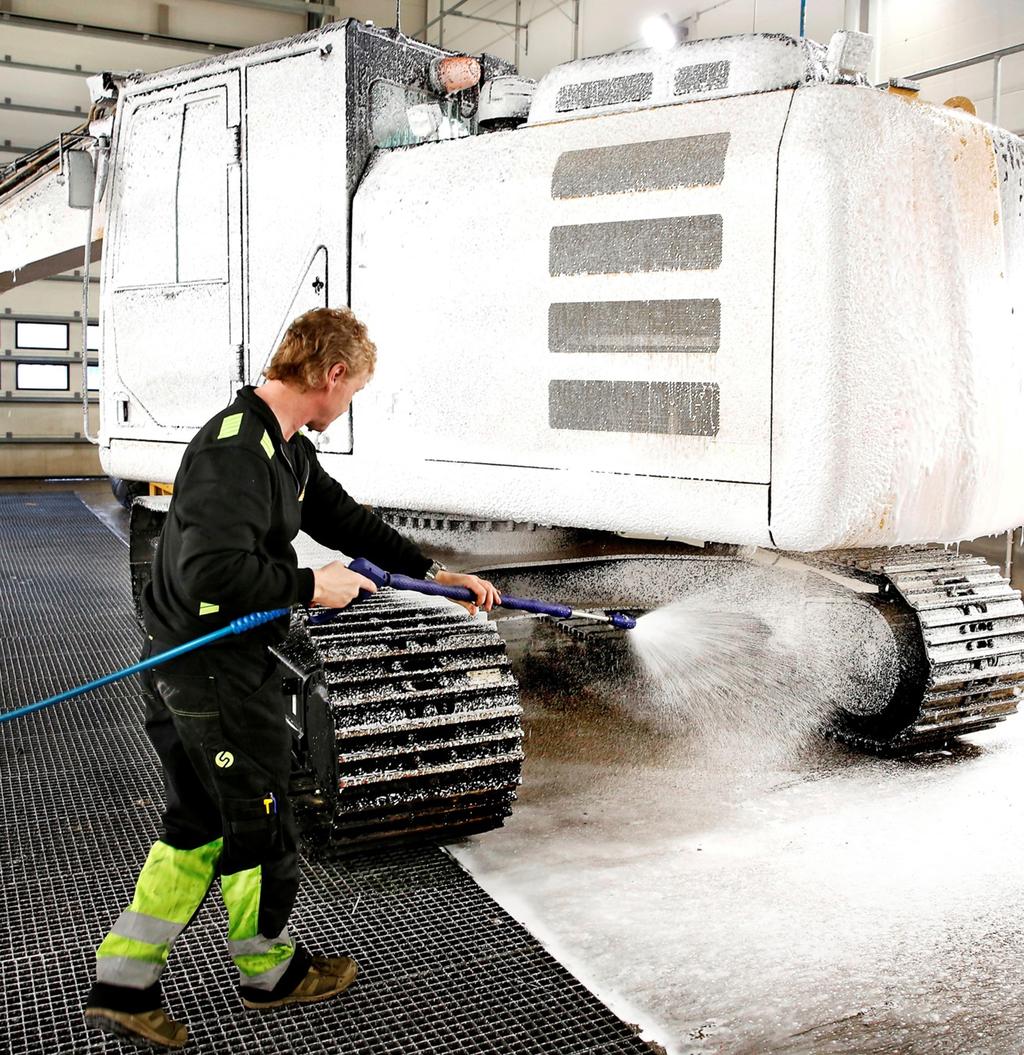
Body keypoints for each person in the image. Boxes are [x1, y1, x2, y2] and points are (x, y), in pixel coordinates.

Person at [85, 307, 500, 1049]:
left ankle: (124, 979)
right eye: (355, 389)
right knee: (261, 814)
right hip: (209, 668)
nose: (348, 405)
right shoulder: (236, 452)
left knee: (199, 822)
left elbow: (345, 519)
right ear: (331, 374)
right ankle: (267, 972)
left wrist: (434, 574)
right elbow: (209, 571)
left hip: (200, 662)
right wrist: (310, 585)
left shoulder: (284, 449)